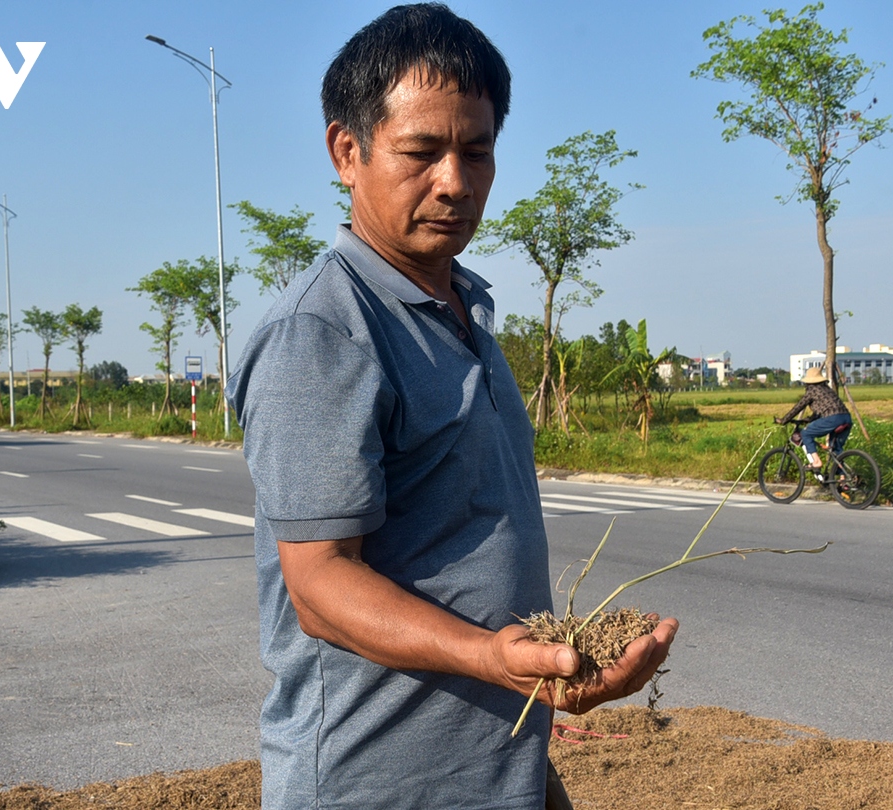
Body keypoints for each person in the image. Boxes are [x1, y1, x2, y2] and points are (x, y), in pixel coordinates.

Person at [225, 5, 676, 808]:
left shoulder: (464, 307)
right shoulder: (323, 330)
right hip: (380, 781)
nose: (456, 182)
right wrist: (489, 658)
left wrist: (539, 673)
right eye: (421, 152)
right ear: (347, 151)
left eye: (478, 151)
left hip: (500, 763)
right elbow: (321, 585)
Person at [776, 367, 853, 471]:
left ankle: (816, 462)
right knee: (836, 450)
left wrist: (784, 420)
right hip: (846, 417)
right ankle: (844, 480)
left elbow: (799, 406)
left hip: (833, 418)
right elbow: (821, 410)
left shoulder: (812, 390)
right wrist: (808, 420)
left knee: (806, 433)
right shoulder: (827, 390)